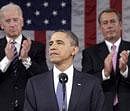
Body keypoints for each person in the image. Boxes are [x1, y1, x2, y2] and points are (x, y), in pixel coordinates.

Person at [24, 30, 104, 111]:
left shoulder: (91, 83)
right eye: (51, 44)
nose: (53, 47)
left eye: (59, 43)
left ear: (74, 50)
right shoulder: (34, 84)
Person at [0, 3, 48, 111]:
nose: (12, 24)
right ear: (1, 25)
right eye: (8, 21)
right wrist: (7, 59)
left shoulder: (37, 47)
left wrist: (26, 59)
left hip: (29, 106)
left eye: (15, 20)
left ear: (22, 22)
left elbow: (43, 77)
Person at [82, 8, 130, 111]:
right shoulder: (89, 53)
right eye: (105, 23)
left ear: (120, 25)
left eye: (113, 21)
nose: (109, 26)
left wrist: (125, 70)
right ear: (100, 28)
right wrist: (105, 73)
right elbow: (86, 83)